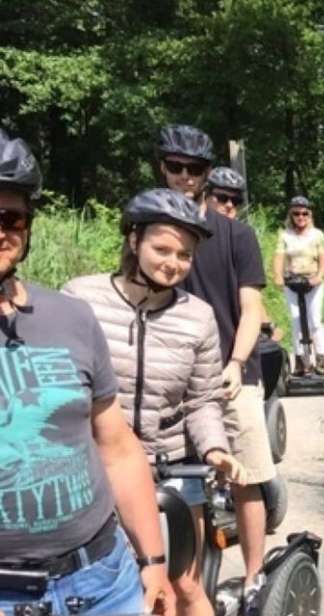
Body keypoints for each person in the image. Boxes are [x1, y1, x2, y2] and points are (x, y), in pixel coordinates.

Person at [0, 131, 175, 616]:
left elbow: (117, 447)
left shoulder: (72, 318)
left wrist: (154, 561)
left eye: (9, 218)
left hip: (101, 583)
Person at [63, 189, 246, 616]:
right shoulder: (81, 299)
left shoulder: (197, 316)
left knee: (184, 584)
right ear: (133, 241)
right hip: (98, 469)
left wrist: (215, 448)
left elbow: (202, 400)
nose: (173, 263)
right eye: (162, 249)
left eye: (184, 255)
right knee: (112, 587)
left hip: (173, 466)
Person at [157, 126, 275, 585]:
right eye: (176, 166)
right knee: (185, 485)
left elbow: (250, 309)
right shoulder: (154, 234)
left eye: (195, 169)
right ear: (162, 167)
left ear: (208, 174)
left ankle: (253, 575)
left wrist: (235, 363)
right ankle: (191, 586)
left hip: (232, 373)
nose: (184, 176)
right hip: (175, 377)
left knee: (247, 477)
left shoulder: (236, 235)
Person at [204, 167, 283, 344]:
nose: (230, 205)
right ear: (205, 195)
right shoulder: (192, 236)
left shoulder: (241, 237)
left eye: (236, 200)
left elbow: (249, 292)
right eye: (222, 198)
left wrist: (267, 323)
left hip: (234, 332)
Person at [272, 196, 324, 374]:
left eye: (304, 213)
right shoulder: (285, 235)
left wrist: (319, 276)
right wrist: (278, 276)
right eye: (296, 213)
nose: (300, 217)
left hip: (312, 283)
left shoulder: (317, 235)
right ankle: (300, 361)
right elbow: (279, 258)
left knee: (314, 321)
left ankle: (321, 358)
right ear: (291, 215)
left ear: (309, 214)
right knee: (296, 320)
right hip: (293, 283)